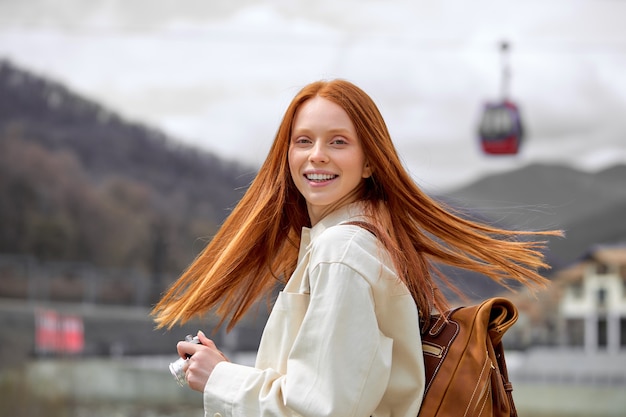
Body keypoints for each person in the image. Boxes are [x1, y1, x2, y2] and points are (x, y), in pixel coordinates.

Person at [151, 79, 560, 417]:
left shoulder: (341, 252)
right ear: (286, 153)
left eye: (339, 142)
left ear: (369, 162)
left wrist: (220, 377)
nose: (317, 156)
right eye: (303, 140)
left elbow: (318, 409)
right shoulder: (367, 242)